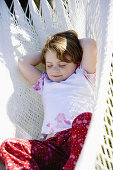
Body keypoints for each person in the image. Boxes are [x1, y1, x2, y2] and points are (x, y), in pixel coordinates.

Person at [0, 30, 97, 170]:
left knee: (85, 119)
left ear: (77, 62)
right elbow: (23, 62)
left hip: (77, 138)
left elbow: (89, 44)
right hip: (52, 145)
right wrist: (48, 49)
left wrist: (70, 45)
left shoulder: (83, 75)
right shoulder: (45, 83)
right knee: (9, 145)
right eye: (49, 65)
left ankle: (73, 166)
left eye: (62, 64)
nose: (54, 70)